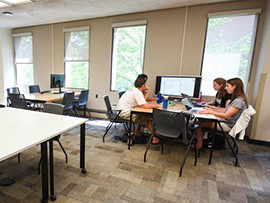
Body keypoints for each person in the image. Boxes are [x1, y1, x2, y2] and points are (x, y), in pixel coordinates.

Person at [196, 78, 248, 149]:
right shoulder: (237, 99)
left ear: (234, 86)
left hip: (227, 125)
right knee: (203, 120)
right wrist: (212, 109)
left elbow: (226, 115)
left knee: (201, 123)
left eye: (227, 86)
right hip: (226, 122)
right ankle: (202, 143)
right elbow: (226, 110)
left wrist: (211, 112)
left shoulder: (238, 101)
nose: (225, 88)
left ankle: (199, 146)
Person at [117, 76, 161, 143]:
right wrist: (157, 106)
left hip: (122, 111)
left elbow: (143, 101)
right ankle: (155, 137)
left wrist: (147, 94)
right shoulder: (137, 92)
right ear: (143, 85)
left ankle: (137, 131)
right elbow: (145, 106)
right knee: (148, 118)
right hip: (126, 113)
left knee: (143, 115)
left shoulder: (133, 90)